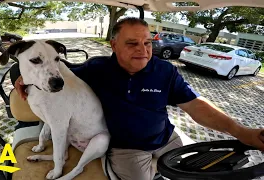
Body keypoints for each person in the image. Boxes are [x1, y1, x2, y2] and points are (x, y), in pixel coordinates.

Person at [13, 17, 264, 180]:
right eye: (132, 43)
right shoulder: (96, 68)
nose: (142, 49)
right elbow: (56, 75)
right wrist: (23, 78)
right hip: (127, 148)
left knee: (198, 173)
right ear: (113, 45)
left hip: (167, 138)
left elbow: (196, 106)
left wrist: (238, 130)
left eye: (147, 42)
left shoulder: (165, 70)